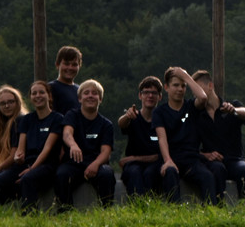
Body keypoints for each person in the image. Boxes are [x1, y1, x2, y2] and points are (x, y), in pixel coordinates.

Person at [152, 66, 217, 205]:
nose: (180, 89)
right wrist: (168, 160)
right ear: (166, 87)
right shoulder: (159, 112)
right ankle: (175, 212)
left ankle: (212, 212)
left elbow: (203, 97)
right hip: (171, 158)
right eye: (176, 85)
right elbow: (162, 138)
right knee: (170, 173)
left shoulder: (191, 107)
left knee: (207, 176)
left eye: (183, 86)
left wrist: (186, 76)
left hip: (191, 160)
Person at [191, 70, 245, 200]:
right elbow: (190, 146)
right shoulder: (196, 114)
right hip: (213, 161)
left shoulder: (231, 107)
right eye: (194, 92)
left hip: (235, 159)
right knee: (217, 169)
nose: (197, 95)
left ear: (210, 86)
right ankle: (218, 207)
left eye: (199, 89)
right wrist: (206, 155)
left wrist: (234, 111)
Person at [55, 79, 115, 209]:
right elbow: (67, 133)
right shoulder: (72, 115)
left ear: (100, 99)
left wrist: (96, 164)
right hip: (74, 163)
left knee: (107, 174)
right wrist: (73, 145)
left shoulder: (106, 124)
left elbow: (106, 151)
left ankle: (107, 210)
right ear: (80, 99)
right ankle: (65, 210)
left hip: (96, 163)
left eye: (94, 93)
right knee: (61, 174)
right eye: (86, 93)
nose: (90, 96)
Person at [14, 80, 64, 211]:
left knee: (28, 179)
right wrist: (18, 157)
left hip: (47, 165)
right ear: (30, 98)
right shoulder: (26, 120)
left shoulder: (57, 119)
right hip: (28, 163)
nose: (38, 96)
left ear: (49, 96)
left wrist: (32, 169)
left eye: (41, 92)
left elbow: (47, 149)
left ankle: (29, 216)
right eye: (34, 93)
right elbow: (20, 149)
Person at [117, 76, 163, 197]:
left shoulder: (163, 121)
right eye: (146, 92)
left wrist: (133, 158)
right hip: (133, 166)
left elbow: (157, 157)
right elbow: (121, 123)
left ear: (160, 96)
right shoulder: (133, 117)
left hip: (155, 164)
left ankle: (151, 205)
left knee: (150, 173)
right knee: (134, 172)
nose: (150, 96)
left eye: (154, 93)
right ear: (140, 95)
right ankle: (137, 205)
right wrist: (127, 116)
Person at [49, 45, 82, 116]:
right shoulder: (50, 88)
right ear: (57, 65)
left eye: (74, 65)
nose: (70, 68)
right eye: (66, 64)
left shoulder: (81, 91)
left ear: (79, 66)